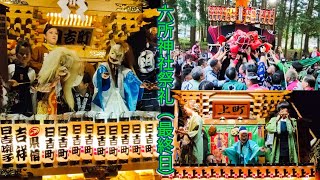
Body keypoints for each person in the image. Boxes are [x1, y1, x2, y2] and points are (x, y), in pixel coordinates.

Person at [35, 47, 84, 114]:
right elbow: (40, 90)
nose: (65, 69)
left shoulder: (71, 84)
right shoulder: (44, 83)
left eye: (68, 67)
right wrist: (55, 80)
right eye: (62, 65)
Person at [8, 39, 36, 115]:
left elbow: (33, 94)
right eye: (21, 53)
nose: (24, 56)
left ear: (31, 55)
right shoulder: (10, 68)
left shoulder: (32, 72)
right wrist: (8, 84)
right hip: (12, 109)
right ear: (16, 54)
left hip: (27, 109)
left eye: (27, 54)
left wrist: (34, 112)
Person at [175, 100, 204, 164]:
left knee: (195, 167)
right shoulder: (193, 118)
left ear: (191, 108)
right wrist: (182, 131)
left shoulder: (196, 118)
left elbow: (194, 133)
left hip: (195, 146)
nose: (185, 112)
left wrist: (182, 132)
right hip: (192, 146)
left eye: (186, 110)